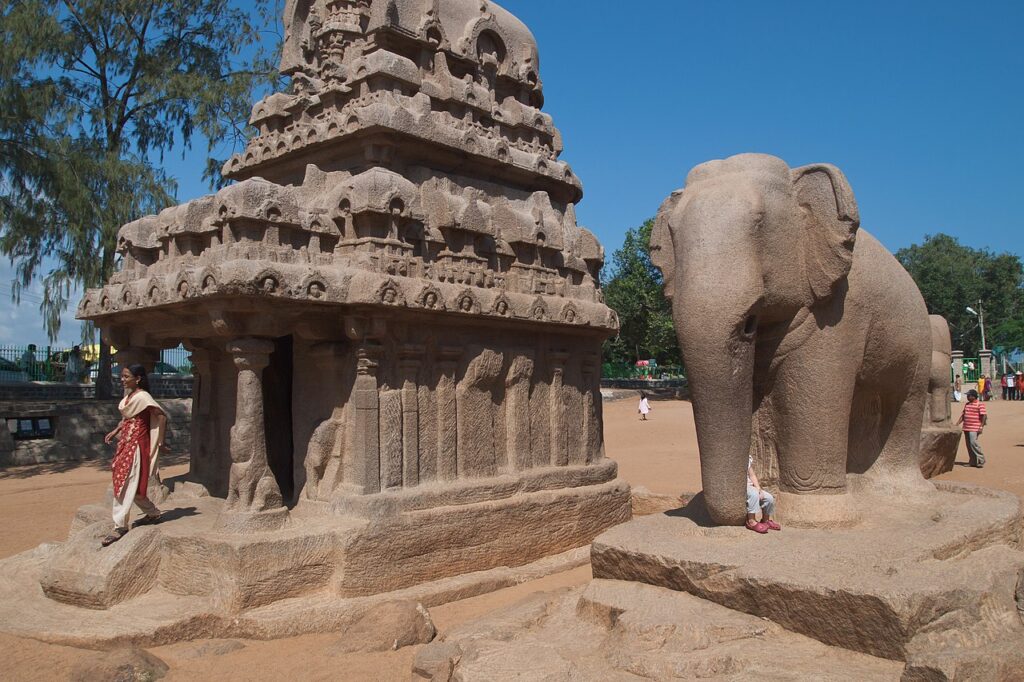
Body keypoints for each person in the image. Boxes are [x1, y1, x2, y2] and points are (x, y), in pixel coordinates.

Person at [101, 365, 168, 546]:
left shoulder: (143, 397)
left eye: (126, 376)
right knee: (133, 486)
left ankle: (119, 526)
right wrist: (116, 430)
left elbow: (161, 416)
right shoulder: (130, 397)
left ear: (137, 378)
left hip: (137, 446)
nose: (122, 379)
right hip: (126, 443)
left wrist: (160, 441)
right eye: (122, 376)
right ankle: (153, 513)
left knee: (125, 482)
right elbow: (127, 418)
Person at [746, 456, 780, 533]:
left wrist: (758, 488)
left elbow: (752, 475)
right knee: (753, 494)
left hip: (750, 486)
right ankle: (751, 521)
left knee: (769, 498)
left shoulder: (746, 459)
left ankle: (765, 520)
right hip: (742, 487)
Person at [956, 389, 987, 468]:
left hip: (975, 427)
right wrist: (957, 424)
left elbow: (984, 416)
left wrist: (981, 427)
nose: (967, 397)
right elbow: (963, 415)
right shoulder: (967, 404)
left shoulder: (980, 404)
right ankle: (972, 461)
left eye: (969, 396)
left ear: (974, 396)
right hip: (966, 427)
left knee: (973, 443)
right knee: (969, 445)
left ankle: (981, 459)